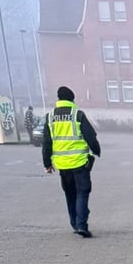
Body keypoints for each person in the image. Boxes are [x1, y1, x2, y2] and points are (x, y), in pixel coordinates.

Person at [42, 86, 101, 238]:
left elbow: (46, 143)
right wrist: (96, 150)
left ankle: (74, 223)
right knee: (82, 193)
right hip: (79, 162)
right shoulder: (77, 115)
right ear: (72, 99)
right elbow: (90, 136)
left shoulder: (50, 117)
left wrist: (47, 163)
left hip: (62, 165)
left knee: (70, 194)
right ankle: (82, 225)